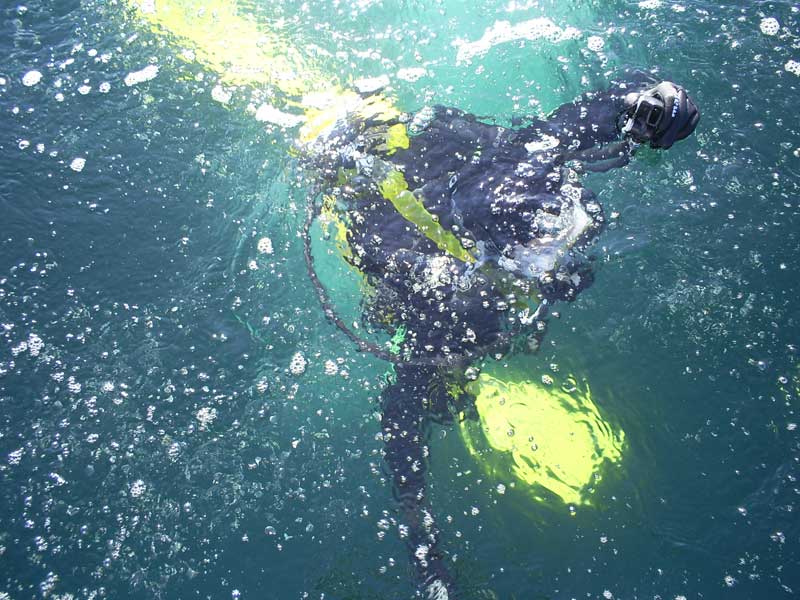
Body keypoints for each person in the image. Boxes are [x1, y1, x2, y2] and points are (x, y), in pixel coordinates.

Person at [299, 71, 699, 598]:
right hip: (351, 173)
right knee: (438, 377)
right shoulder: (447, 305)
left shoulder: (523, 177)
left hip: (388, 134)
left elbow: (592, 116)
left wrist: (650, 112)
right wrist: (426, 552)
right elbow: (401, 429)